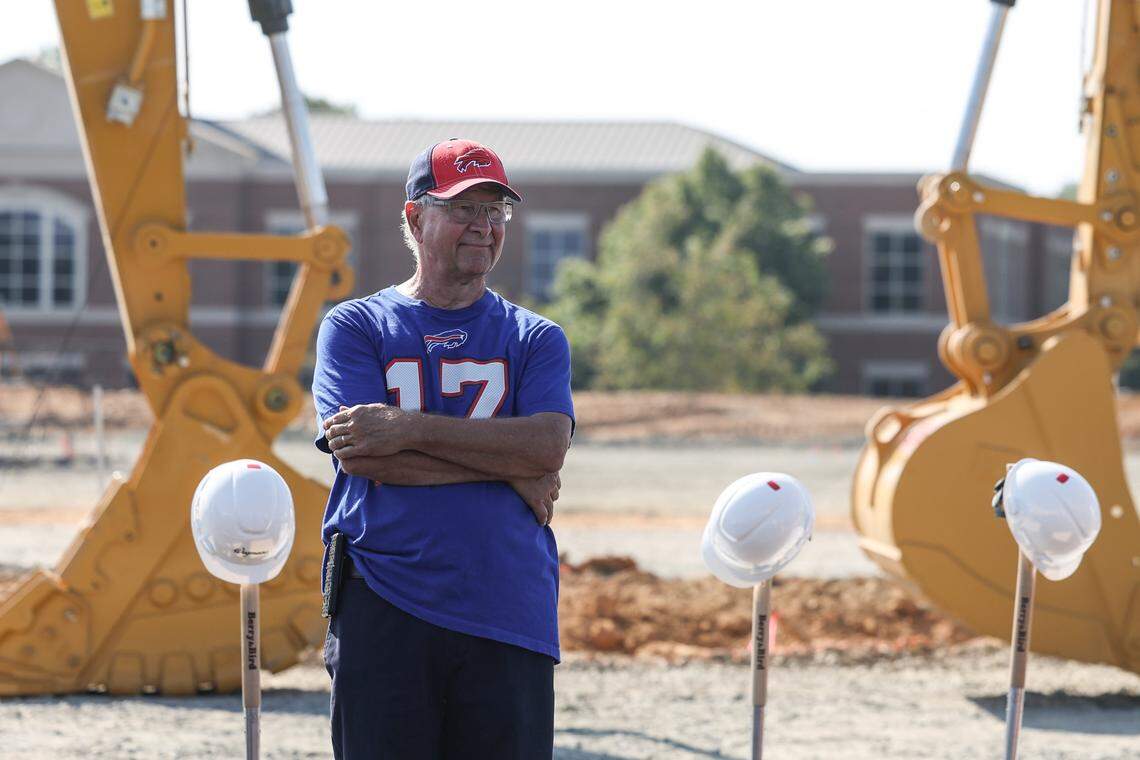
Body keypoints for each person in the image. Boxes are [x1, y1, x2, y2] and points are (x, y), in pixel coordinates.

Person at [312, 138, 574, 759]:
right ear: (414, 217)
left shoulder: (536, 337)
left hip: (507, 605)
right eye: (463, 210)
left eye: (495, 212)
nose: (482, 227)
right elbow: (363, 457)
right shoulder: (355, 327)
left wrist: (407, 427)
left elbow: (545, 446)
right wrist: (505, 470)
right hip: (385, 596)